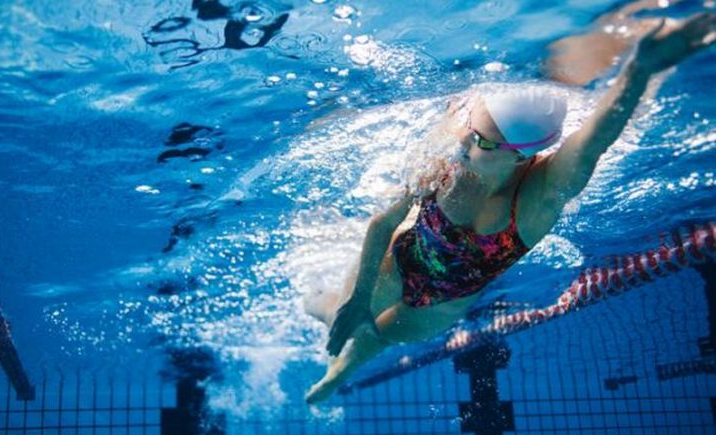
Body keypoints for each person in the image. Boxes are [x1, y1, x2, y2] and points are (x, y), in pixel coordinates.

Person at [304, 11, 716, 404]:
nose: (464, 142)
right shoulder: (455, 150)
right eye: (469, 128)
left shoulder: (538, 199)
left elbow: (594, 141)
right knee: (337, 311)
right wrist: (357, 299)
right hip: (395, 262)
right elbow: (385, 219)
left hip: (441, 306)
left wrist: (639, 69)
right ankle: (328, 313)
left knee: (377, 337)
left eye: (480, 141)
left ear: (520, 156)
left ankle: (340, 372)